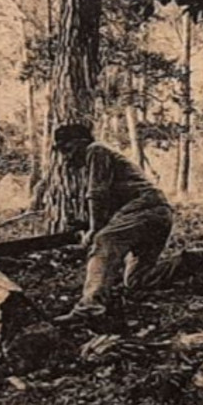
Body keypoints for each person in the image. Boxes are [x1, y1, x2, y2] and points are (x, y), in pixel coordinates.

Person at [51, 123, 180, 323]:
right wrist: (85, 223)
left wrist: (94, 229)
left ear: (82, 142)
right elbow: (111, 202)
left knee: (104, 241)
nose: (66, 157)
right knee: (137, 280)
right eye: (61, 152)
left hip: (146, 207)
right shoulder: (100, 157)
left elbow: (97, 193)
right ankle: (187, 263)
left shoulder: (96, 150)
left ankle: (90, 308)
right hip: (160, 214)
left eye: (68, 149)